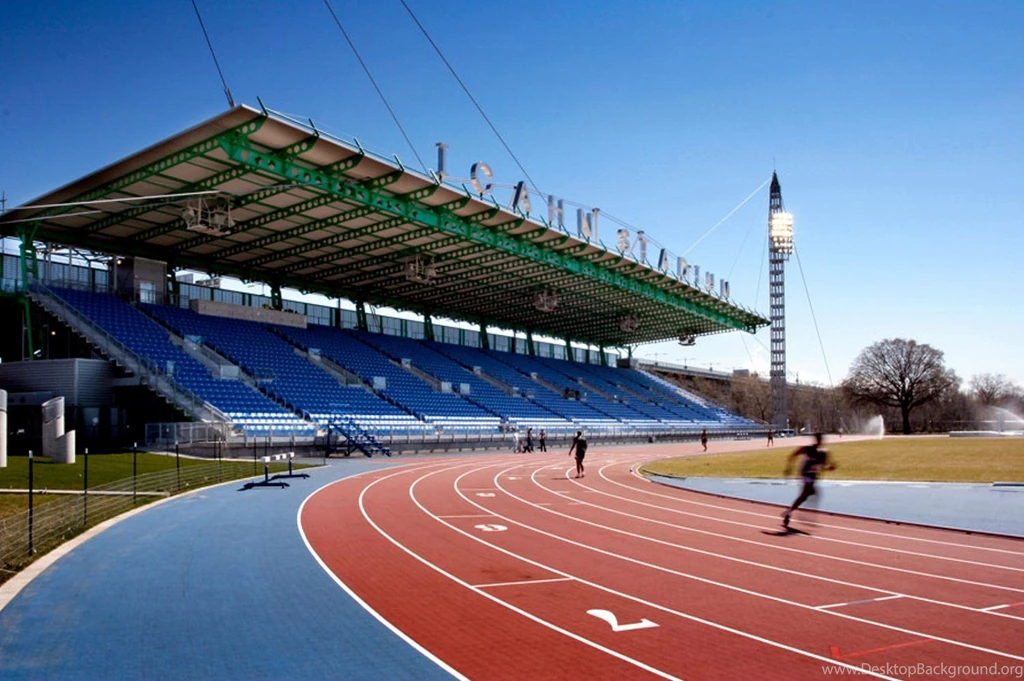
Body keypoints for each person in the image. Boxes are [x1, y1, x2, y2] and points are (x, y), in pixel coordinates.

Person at [782, 432, 835, 529]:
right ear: (816, 439)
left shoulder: (824, 453)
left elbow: (823, 467)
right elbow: (793, 455)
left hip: (813, 476)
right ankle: (806, 516)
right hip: (805, 474)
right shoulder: (809, 449)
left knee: (804, 496)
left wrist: (830, 468)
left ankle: (789, 512)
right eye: (818, 439)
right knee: (811, 492)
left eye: (821, 439)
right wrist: (789, 468)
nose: (820, 441)